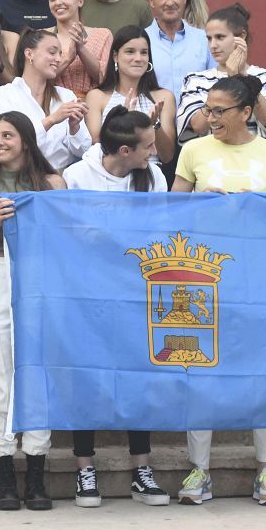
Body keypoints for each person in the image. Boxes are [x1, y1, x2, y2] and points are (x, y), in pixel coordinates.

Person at [171, 76, 266, 507]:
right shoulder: (192, 150)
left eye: (220, 110)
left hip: (258, 278)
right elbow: (171, 213)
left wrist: (258, 207)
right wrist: (201, 201)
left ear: (246, 112)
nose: (211, 117)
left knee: (262, 371)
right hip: (199, 279)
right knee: (199, 367)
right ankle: (198, 471)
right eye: (208, 109)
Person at [62, 108, 168, 508]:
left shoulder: (152, 176)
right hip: (86, 294)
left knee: (139, 377)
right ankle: (84, 470)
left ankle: (141, 469)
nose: (155, 152)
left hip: (136, 292)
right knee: (86, 377)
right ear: (125, 149)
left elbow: (156, 233)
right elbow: (71, 236)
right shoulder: (76, 176)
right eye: (148, 146)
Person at [0, 111, 65, 511]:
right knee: (0, 375)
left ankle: (36, 475)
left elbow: (66, 241)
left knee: (37, 372)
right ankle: (4, 473)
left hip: (40, 276)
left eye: (8, 135)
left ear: (26, 139)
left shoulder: (53, 182)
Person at [176, 3, 266, 145]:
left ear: (241, 36)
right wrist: (230, 81)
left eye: (220, 37)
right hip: (212, 162)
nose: (213, 45)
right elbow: (198, 126)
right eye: (209, 38)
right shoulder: (195, 80)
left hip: (256, 163)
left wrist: (242, 78)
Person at [0, 28, 91, 171]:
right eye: (52, 52)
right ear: (29, 53)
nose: (58, 59)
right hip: (21, 177)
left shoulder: (66, 96)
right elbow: (8, 146)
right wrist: (51, 120)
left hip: (61, 179)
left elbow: (83, 151)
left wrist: (74, 128)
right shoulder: (4, 95)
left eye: (60, 54)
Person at [85, 26, 176, 169]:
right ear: (115, 56)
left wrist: (154, 125)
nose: (138, 58)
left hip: (152, 176)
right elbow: (96, 148)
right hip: (110, 176)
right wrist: (121, 124)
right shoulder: (97, 97)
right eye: (130, 52)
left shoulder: (164, 97)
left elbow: (167, 156)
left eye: (144, 53)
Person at [144, 0, 214, 101]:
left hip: (199, 120)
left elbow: (218, 85)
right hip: (154, 120)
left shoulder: (205, 40)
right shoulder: (140, 41)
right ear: (151, 1)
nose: (170, 2)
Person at [46, 0, 112, 98]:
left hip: (94, 107)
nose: (58, 2)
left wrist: (81, 49)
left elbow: (106, 79)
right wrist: (68, 58)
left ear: (80, 1)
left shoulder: (102, 35)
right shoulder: (41, 37)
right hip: (54, 106)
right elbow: (37, 80)